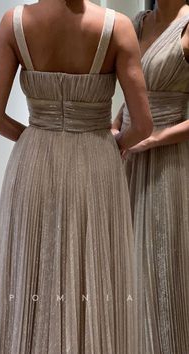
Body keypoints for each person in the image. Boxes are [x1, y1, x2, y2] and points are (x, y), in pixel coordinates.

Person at [0, 1, 152, 353]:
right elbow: (143, 125)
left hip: (32, 168)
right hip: (95, 164)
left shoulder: (13, 24)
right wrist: (115, 143)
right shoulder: (117, 28)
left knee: (33, 277)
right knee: (92, 278)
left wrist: (36, 137)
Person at [112, 0, 189, 352]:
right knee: (126, 260)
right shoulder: (137, 23)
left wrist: (156, 137)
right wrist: (118, 120)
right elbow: (132, 87)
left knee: (161, 261)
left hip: (168, 160)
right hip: (127, 155)